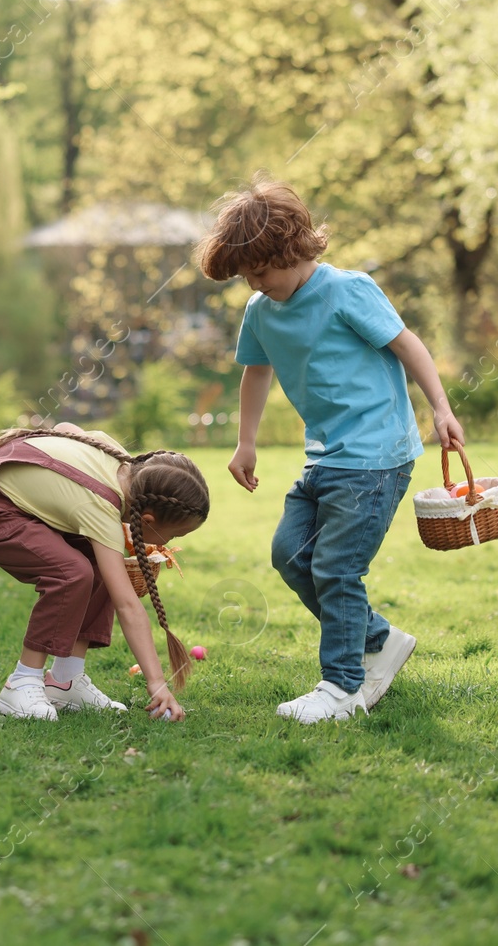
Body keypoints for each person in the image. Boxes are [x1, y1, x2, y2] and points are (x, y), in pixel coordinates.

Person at [196, 175, 464, 723]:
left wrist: (441, 407)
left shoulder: (349, 291)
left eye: (261, 271)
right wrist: (245, 442)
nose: (254, 283)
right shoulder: (261, 310)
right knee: (291, 555)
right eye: (246, 276)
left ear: (291, 249)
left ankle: (341, 688)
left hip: (376, 457)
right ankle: (380, 640)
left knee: (337, 568)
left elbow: (407, 344)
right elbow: (255, 371)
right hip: (324, 456)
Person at [0, 423, 209, 722]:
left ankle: (65, 682)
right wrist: (157, 684)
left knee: (99, 565)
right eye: (172, 537)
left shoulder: (122, 463)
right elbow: (127, 605)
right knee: (71, 573)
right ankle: (21, 683)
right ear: (147, 518)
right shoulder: (99, 506)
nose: (167, 544)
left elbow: (65, 427)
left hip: (13, 503)